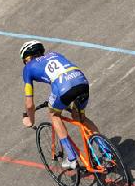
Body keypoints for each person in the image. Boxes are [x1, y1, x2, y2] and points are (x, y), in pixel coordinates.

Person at [19, 40, 98, 170]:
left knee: (54, 115)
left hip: (62, 88)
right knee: (79, 117)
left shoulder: (27, 68)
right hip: (81, 81)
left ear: (27, 58)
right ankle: (107, 152)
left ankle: (72, 158)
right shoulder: (55, 54)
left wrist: (30, 120)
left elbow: (29, 105)